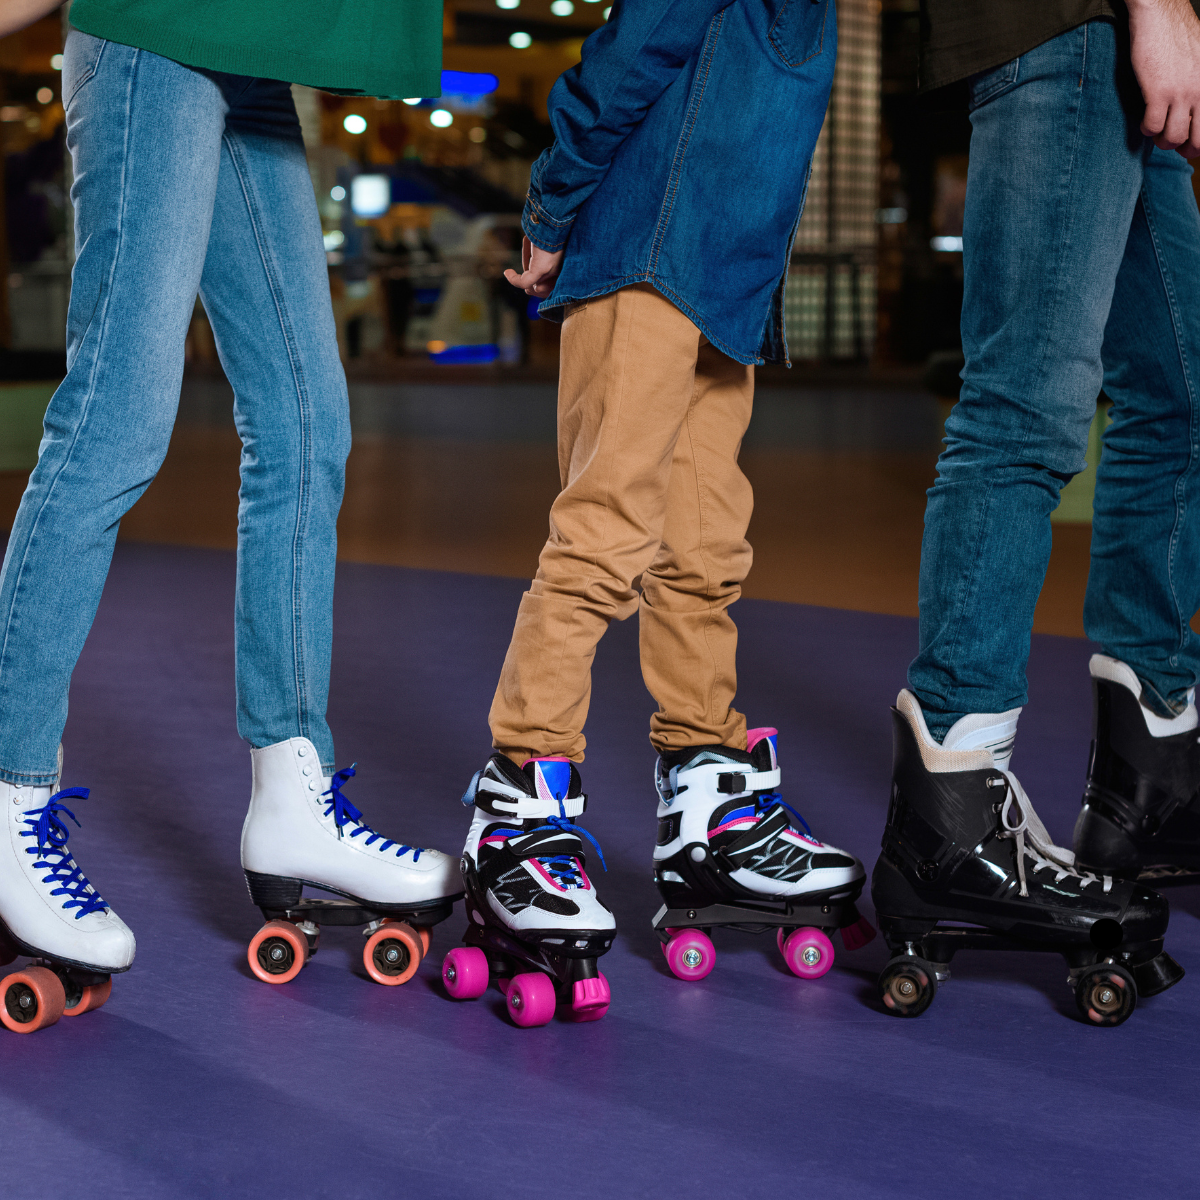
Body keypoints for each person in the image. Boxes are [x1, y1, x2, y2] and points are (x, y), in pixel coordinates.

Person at [0, 0, 459, 1029]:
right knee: (115, 422)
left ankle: (291, 795)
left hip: (256, 46)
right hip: (158, 29)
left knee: (307, 427)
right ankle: (5, 793)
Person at [449, 0, 869, 1025]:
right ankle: (519, 809)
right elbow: (628, 55)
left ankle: (709, 798)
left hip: (727, 282)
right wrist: (551, 213)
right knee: (604, 536)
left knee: (706, 550)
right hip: (644, 248)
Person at [873, 0, 1200, 1019]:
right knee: (1025, 407)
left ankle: (1153, 777)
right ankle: (951, 820)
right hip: (1061, 23)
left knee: (1182, 395)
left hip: (1105, 38)